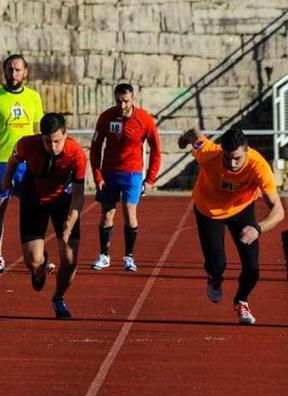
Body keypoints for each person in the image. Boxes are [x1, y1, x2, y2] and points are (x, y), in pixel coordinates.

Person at [178, 127, 284, 325]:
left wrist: (257, 228)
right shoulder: (209, 153)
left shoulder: (258, 167)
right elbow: (194, 133)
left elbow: (279, 211)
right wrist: (184, 140)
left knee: (252, 269)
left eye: (237, 159)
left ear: (247, 151)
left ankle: (241, 300)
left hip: (242, 211)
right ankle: (215, 279)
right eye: (227, 158)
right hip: (209, 210)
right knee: (217, 264)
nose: (231, 164)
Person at [4, 113, 86, 319]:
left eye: (57, 141)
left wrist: (70, 223)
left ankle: (58, 297)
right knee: (32, 260)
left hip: (63, 200)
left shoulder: (76, 153)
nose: (53, 146)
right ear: (41, 136)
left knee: (69, 259)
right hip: (34, 197)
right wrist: (7, 181)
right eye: (48, 141)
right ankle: (40, 265)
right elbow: (13, 161)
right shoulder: (26, 145)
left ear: (65, 135)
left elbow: (79, 195)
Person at [89, 83, 162, 272]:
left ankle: (129, 256)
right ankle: (104, 255)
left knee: (130, 212)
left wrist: (150, 179)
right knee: (107, 213)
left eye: (126, 101)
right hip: (109, 173)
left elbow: (156, 149)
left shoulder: (144, 119)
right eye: (118, 101)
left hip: (132, 174)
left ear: (133, 100)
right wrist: (98, 176)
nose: (122, 105)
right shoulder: (106, 117)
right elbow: (95, 148)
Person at [0, 54, 44, 273]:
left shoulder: (34, 98)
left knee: (33, 208)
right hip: (0, 161)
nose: (14, 73)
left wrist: (42, 159)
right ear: (4, 71)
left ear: (25, 72)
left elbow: (38, 130)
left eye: (18, 70)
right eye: (10, 69)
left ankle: (36, 253)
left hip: (27, 163)